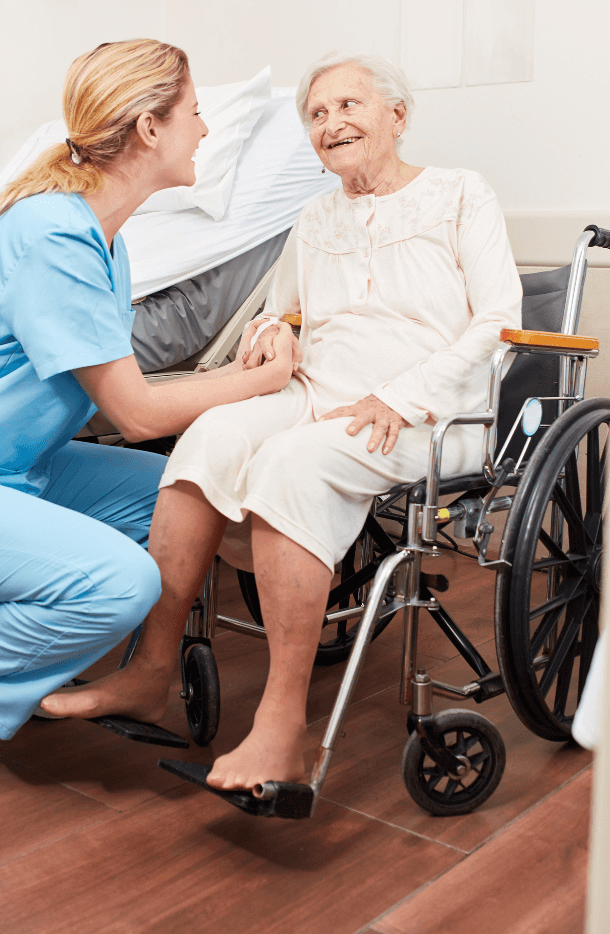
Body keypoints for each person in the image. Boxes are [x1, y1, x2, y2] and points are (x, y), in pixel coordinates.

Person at [0, 39, 297, 812]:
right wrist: (259, 381)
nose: (205, 129)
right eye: (194, 113)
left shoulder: (105, 239)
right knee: (120, 582)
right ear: (149, 128)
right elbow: (136, 412)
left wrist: (253, 352)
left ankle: (136, 675)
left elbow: (128, 383)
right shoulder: (54, 234)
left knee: (194, 490)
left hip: (10, 469)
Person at [42, 51, 522, 793]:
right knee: (207, 438)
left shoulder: (461, 195)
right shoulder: (315, 214)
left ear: (397, 115)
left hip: (429, 410)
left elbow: (498, 322)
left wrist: (401, 394)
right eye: (317, 114)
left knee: (291, 463)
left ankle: (282, 726)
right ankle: (151, 669)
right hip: (319, 389)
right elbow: (281, 305)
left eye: (348, 106)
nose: (331, 123)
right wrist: (274, 330)